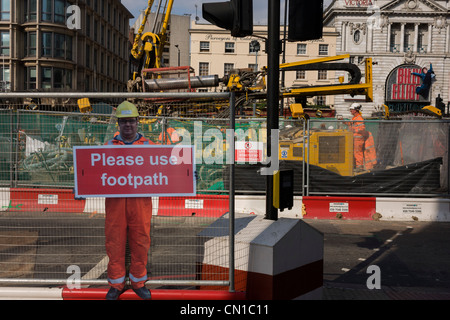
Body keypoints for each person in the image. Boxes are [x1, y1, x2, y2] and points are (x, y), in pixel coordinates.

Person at [104, 101, 154, 300]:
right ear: (118, 124)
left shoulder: (150, 147)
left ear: (137, 122)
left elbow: (165, 169)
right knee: (115, 243)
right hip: (115, 205)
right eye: (124, 122)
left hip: (140, 205)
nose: (128, 125)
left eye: (131, 121)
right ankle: (116, 284)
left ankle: (138, 281)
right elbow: (94, 172)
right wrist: (81, 185)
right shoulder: (108, 147)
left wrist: (183, 176)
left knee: (140, 242)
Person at [346, 103, 366, 171]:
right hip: (355, 138)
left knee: (358, 153)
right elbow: (350, 124)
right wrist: (344, 122)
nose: (350, 111)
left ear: (355, 110)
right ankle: (356, 166)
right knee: (355, 153)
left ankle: (360, 167)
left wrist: (353, 130)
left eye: (351, 109)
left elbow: (362, 128)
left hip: (358, 139)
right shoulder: (354, 118)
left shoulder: (359, 118)